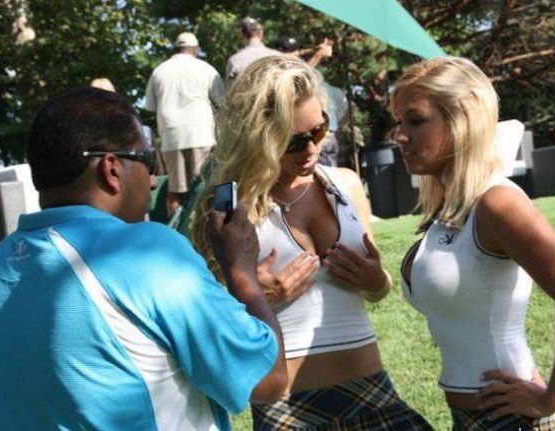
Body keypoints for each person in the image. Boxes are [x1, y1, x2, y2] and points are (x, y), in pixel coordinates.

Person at [0, 86, 286, 430]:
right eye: (148, 161)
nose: (153, 180)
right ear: (112, 169)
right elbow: (268, 379)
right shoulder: (146, 252)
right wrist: (241, 270)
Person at [191, 56, 433, 430]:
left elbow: (376, 288)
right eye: (294, 142)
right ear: (261, 136)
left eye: (319, 131)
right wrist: (254, 294)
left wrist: (377, 282)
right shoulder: (231, 205)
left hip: (372, 393)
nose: (310, 150)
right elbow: (205, 318)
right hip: (286, 409)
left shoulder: (345, 184)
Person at [390, 56, 555, 430]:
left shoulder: (497, 202)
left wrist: (551, 398)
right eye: (399, 122)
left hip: (516, 420)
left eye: (416, 121)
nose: (400, 136)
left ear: (462, 120)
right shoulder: (452, 208)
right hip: (473, 419)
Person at [145, 31, 225, 218]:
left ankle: (175, 230)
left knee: (175, 191)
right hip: (201, 134)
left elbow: (150, 106)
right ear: (195, 49)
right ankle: (204, 228)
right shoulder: (205, 68)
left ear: (177, 48)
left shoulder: (159, 71)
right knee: (205, 187)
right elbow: (222, 102)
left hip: (171, 135)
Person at [275, 35, 349, 167]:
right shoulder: (280, 74)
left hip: (323, 137)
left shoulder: (314, 80)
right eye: (286, 51)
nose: (293, 55)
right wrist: (318, 55)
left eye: (294, 51)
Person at [225, 17, 281, 88]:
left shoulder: (235, 60)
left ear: (242, 34)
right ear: (261, 33)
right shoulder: (278, 57)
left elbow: (230, 91)